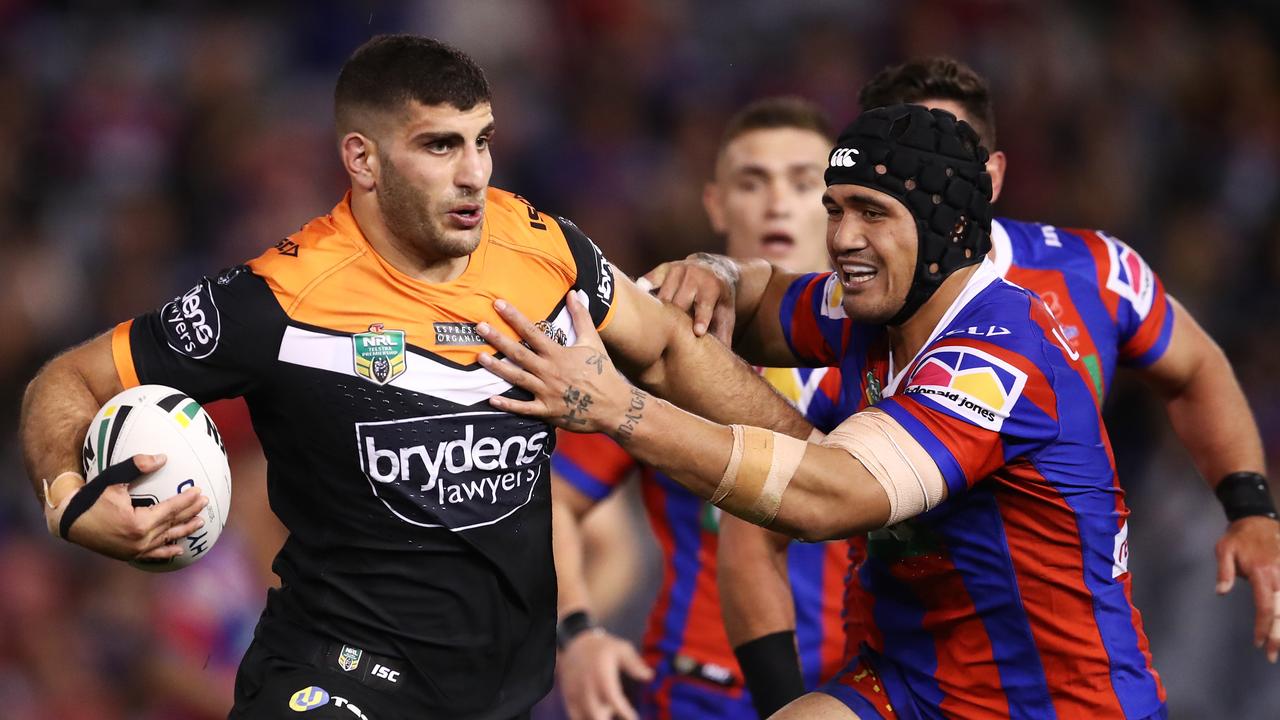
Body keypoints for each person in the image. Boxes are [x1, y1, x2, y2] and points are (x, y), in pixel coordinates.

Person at [17, 35, 813, 720]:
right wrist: (67, 504)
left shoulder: (543, 250)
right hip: (337, 678)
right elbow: (68, 380)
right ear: (361, 159)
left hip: (506, 693)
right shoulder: (278, 300)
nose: (474, 174)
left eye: (483, 140)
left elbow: (673, 350)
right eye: (440, 145)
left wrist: (821, 461)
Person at [472, 102, 1237, 718]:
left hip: (1053, 702)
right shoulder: (874, 306)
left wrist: (623, 411)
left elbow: (829, 496)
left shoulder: (999, 357)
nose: (839, 238)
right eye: (833, 208)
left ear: (943, 228)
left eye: (870, 212)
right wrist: (700, 269)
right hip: (907, 682)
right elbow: (758, 299)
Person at [656, 57, 1280, 716]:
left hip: (1065, 648)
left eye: (949, 153)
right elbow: (761, 528)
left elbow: (1197, 366)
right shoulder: (856, 302)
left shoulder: (1094, 272)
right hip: (913, 668)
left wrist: (1251, 508)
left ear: (991, 175)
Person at [549, 97, 847, 720]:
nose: (776, 203)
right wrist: (575, 634)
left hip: (862, 690)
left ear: (837, 204)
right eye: (751, 181)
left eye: (802, 182)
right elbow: (553, 500)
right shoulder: (659, 338)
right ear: (715, 203)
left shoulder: (894, 348)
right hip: (699, 694)